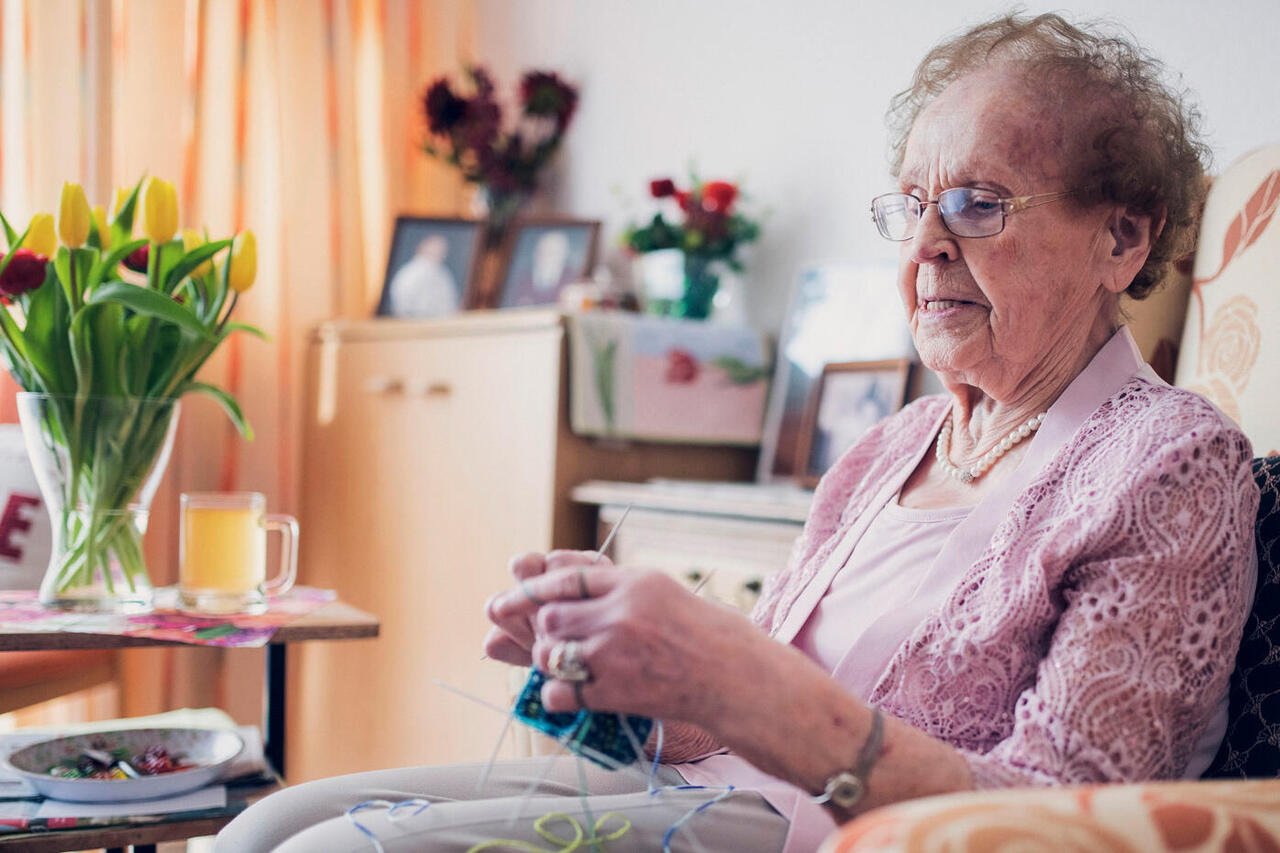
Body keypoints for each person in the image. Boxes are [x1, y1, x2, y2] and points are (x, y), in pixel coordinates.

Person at [219, 12, 1259, 853]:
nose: (927, 247)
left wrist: (739, 676)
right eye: (909, 207)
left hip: (810, 837)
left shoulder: (1168, 462)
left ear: (1120, 238)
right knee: (263, 824)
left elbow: (1061, 816)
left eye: (977, 204)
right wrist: (620, 670)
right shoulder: (883, 451)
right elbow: (719, 728)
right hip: (699, 797)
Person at [386, 234, 461, 318]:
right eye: (435, 248)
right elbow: (402, 302)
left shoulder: (442, 273)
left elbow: (450, 301)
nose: (439, 252)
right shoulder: (411, 272)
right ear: (424, 247)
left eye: (442, 249)